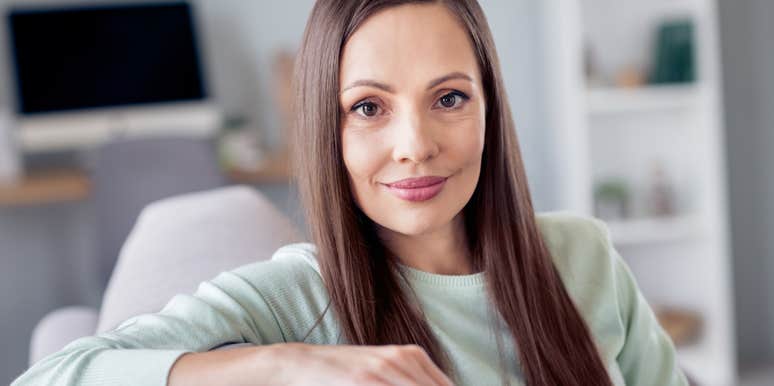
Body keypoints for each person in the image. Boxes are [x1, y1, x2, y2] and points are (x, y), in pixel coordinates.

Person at [12, 1, 688, 385]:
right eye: (368, 108)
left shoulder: (582, 254)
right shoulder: (297, 299)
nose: (415, 145)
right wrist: (284, 366)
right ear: (325, 129)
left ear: (491, 110)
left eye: (449, 97)